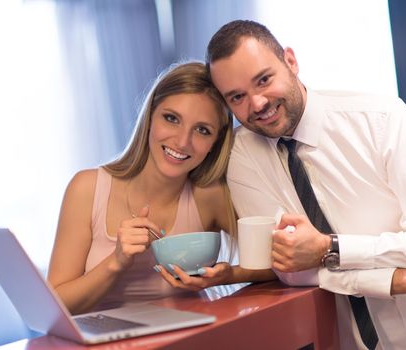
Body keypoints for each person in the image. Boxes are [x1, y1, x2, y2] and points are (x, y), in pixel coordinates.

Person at [206, 20, 406, 349]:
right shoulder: (244, 156)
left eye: (264, 80)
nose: (257, 103)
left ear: (290, 60)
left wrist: (329, 248)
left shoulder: (383, 120)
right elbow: (293, 269)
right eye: (237, 97)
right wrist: (404, 279)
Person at [47, 61, 275, 314]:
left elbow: (281, 264)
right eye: (171, 118)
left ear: (215, 142)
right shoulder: (87, 188)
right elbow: (55, 306)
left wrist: (228, 274)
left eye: (202, 130)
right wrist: (116, 262)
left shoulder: (208, 196)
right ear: (150, 117)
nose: (182, 141)